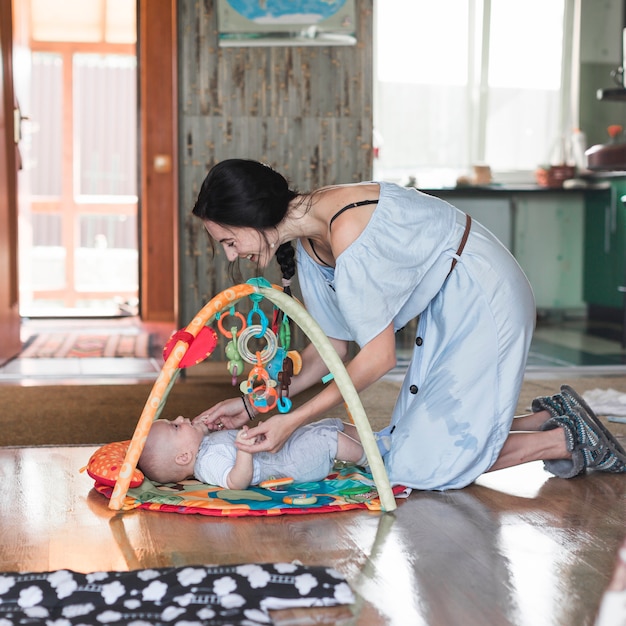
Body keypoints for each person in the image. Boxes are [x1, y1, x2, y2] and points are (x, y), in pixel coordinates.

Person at [189, 158, 626, 490]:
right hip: (446, 307)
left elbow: (376, 360)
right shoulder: (308, 242)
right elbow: (332, 352)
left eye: (229, 241)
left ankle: (566, 440)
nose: (230, 255)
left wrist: (291, 421)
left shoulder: (348, 233)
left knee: (418, 464)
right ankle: (549, 417)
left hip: (483, 296)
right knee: (406, 440)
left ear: (253, 216)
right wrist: (252, 406)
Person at [137, 414, 368, 489]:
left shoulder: (204, 446)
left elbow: (223, 440)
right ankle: (373, 461)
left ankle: (374, 441)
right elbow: (236, 481)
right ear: (184, 457)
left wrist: (209, 429)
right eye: (175, 426)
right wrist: (244, 452)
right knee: (328, 439)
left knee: (329, 424)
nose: (180, 418)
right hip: (288, 464)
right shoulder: (206, 464)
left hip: (280, 448)